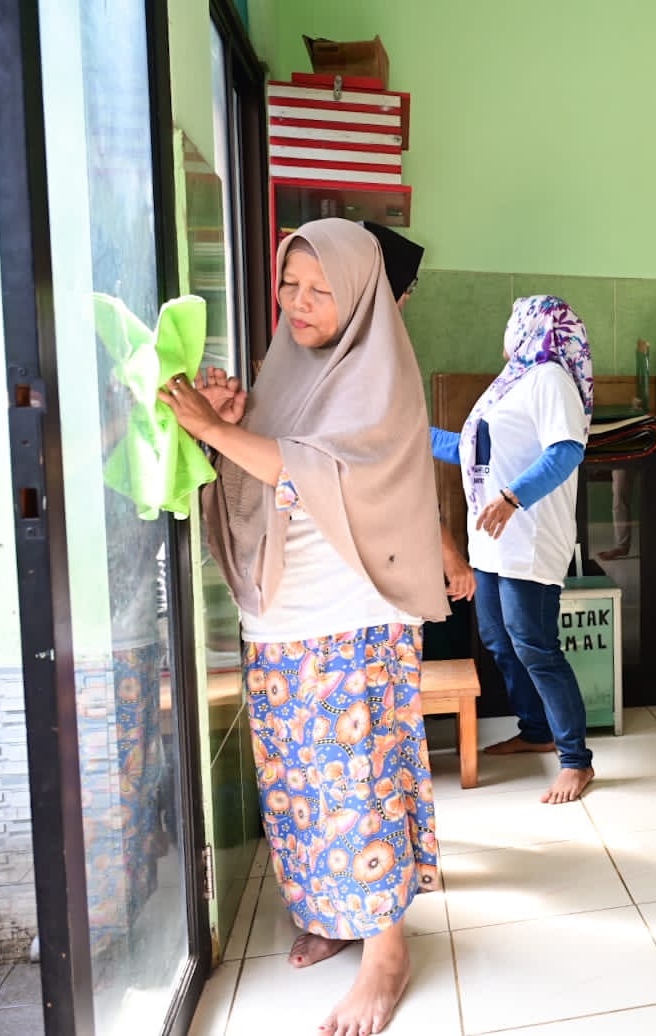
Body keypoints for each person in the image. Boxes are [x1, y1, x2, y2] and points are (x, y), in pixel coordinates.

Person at [160, 218, 449, 1036]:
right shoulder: (283, 371)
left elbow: (323, 475)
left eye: (322, 290)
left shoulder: (377, 374)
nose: (301, 303)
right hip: (279, 620)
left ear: (361, 293)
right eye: (290, 285)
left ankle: (386, 951)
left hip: (353, 619)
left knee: (357, 784)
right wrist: (230, 421)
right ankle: (329, 911)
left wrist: (221, 432)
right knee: (295, 785)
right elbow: (261, 472)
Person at [430, 295, 596, 804]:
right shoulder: (509, 385)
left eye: (512, 320)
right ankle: (535, 729)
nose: (506, 329)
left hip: (527, 537)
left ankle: (576, 761)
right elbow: (470, 450)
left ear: (533, 327)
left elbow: (567, 450)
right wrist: (407, 434)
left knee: (535, 646)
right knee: (500, 641)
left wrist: (511, 497)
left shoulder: (549, 377)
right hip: (492, 541)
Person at [362, 220, 475, 603]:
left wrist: (464, 447)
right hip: (381, 553)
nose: (408, 299)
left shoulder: (351, 348)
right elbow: (401, 463)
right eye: (407, 288)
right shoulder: (379, 354)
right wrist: (448, 553)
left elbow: (401, 435)